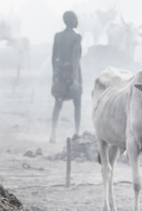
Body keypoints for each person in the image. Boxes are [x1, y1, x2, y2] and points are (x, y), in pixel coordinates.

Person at [50, 11, 82, 144]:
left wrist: (55, 73)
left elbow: (53, 57)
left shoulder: (57, 36)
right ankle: (76, 131)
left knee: (58, 103)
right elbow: (75, 58)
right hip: (72, 72)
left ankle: (53, 134)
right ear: (72, 21)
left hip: (59, 72)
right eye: (75, 18)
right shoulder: (77, 37)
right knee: (77, 102)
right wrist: (75, 78)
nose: (77, 20)